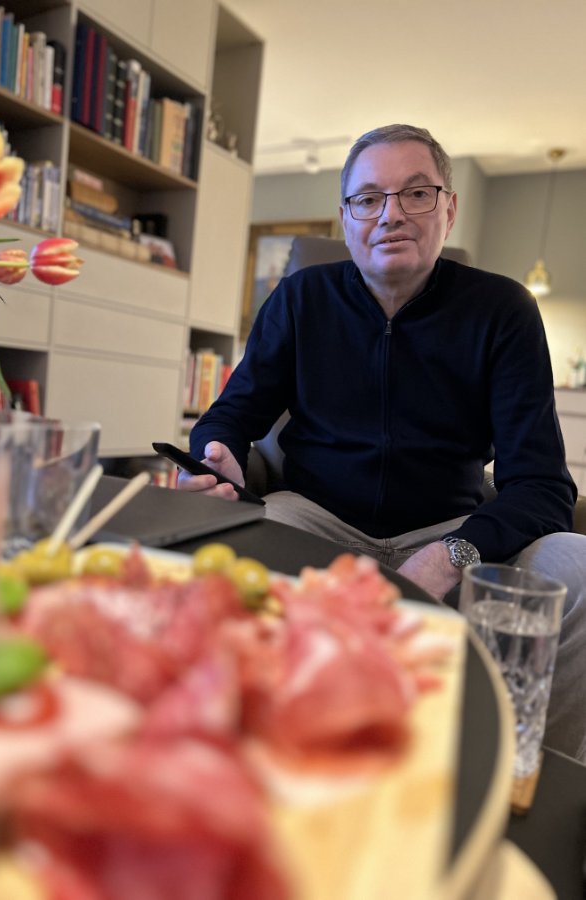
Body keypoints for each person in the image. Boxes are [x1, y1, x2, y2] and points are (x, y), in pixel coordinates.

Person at [178, 124, 586, 761]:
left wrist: (450, 554)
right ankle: (244, 752)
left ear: (448, 209)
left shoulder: (503, 311)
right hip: (313, 519)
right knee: (221, 557)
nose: (390, 214)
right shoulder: (301, 298)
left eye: (416, 193)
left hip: (450, 530)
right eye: (368, 198)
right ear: (347, 219)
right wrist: (213, 456)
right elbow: (229, 416)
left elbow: (542, 487)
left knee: (577, 566)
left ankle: (529, 776)